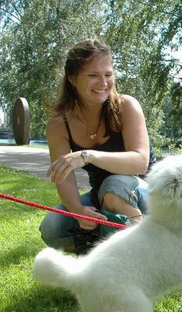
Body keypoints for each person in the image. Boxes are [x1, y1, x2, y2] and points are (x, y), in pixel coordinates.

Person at [39, 39, 156, 254]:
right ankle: (103, 242)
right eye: (93, 75)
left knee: (114, 186)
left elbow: (140, 162)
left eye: (108, 74)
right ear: (72, 78)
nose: (103, 83)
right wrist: (78, 210)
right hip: (101, 195)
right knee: (52, 228)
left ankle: (143, 252)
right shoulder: (59, 123)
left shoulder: (126, 106)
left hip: (148, 195)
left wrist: (88, 155)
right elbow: (64, 178)